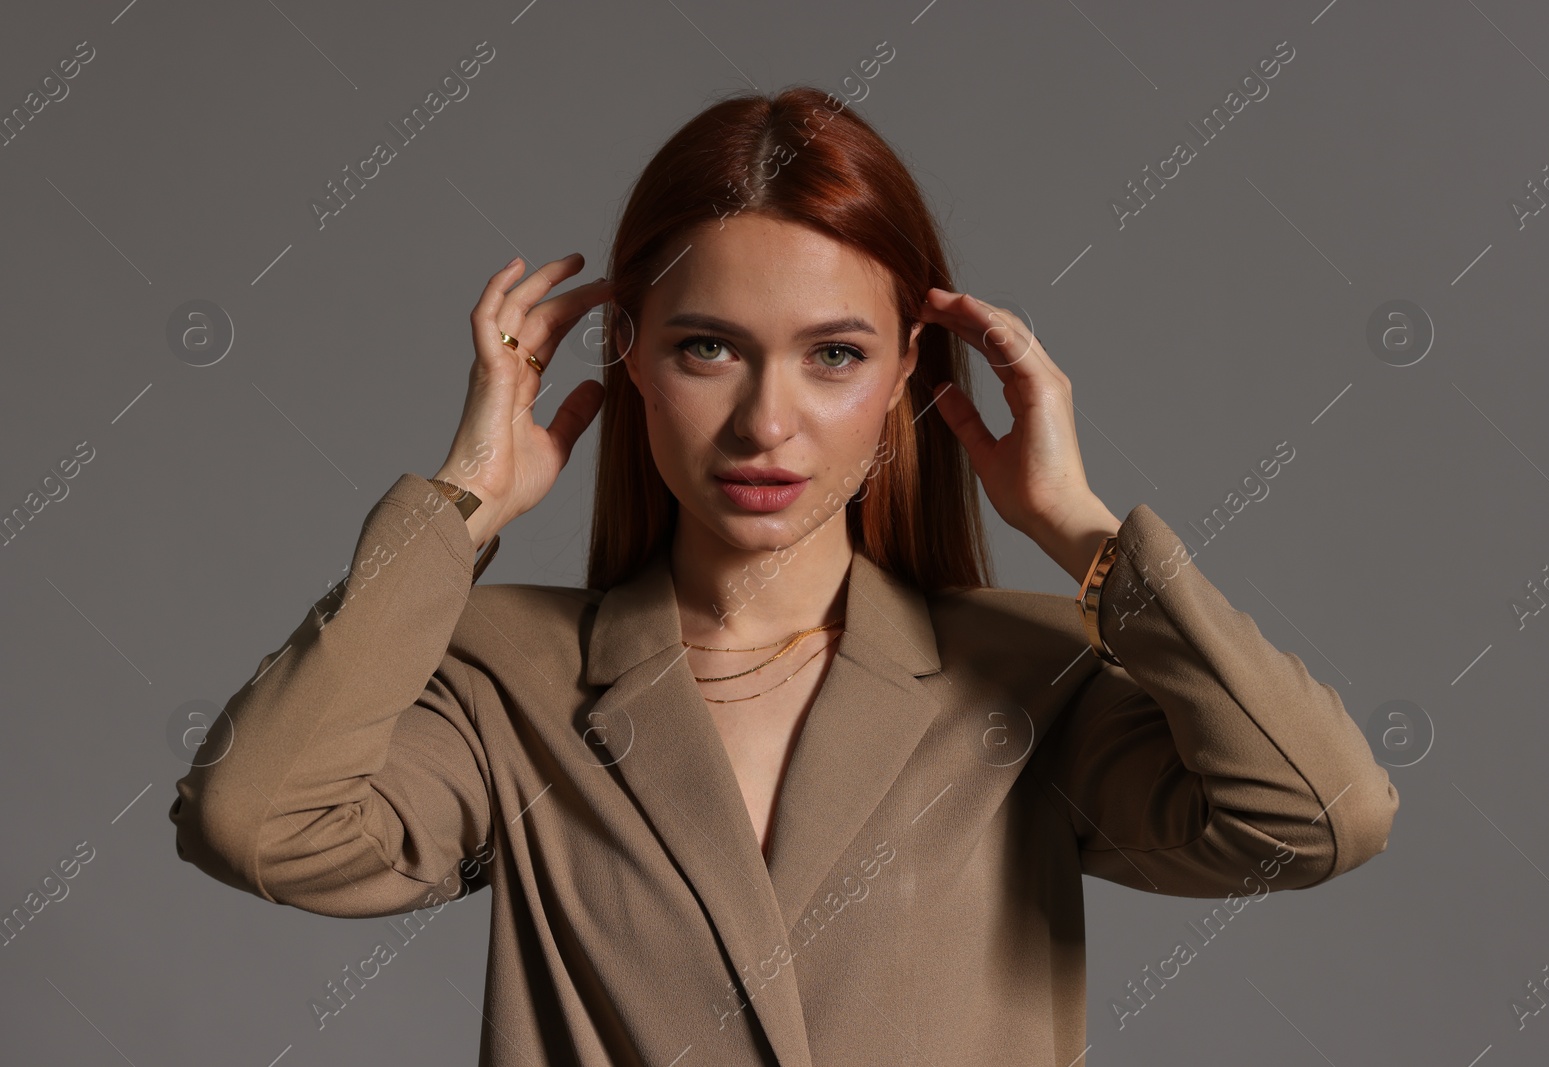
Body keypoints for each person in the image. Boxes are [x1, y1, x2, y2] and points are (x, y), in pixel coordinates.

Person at [169, 85, 1398, 1065]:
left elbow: (1317, 817)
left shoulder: (1027, 682)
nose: (767, 422)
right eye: (709, 347)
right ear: (631, 355)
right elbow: (255, 824)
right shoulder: (509, 677)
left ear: (908, 371)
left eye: (833, 354)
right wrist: (459, 509)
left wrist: (1085, 538)